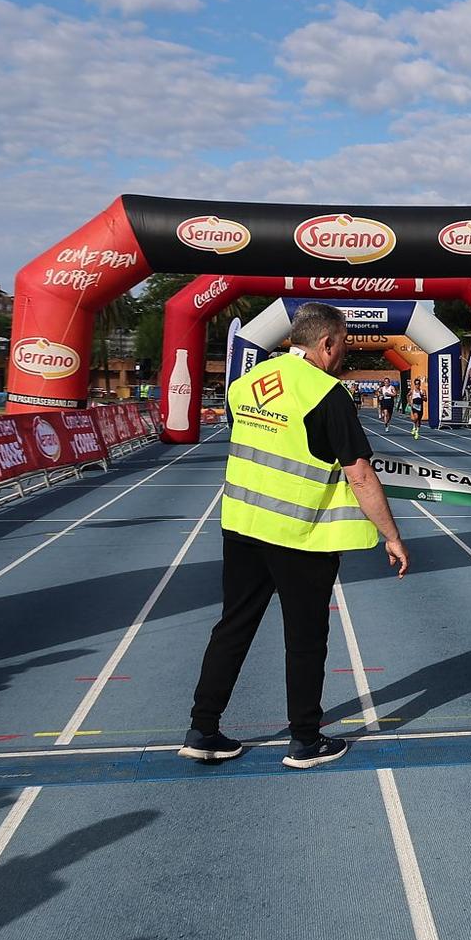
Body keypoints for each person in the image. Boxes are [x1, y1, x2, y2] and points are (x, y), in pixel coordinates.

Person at [183, 303, 409, 770]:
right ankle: (305, 740)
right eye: (343, 345)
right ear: (326, 343)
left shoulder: (245, 384)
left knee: (233, 626)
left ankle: (203, 729)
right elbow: (361, 475)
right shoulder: (326, 394)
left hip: (243, 526)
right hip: (301, 532)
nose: (343, 354)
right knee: (305, 637)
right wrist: (391, 535)